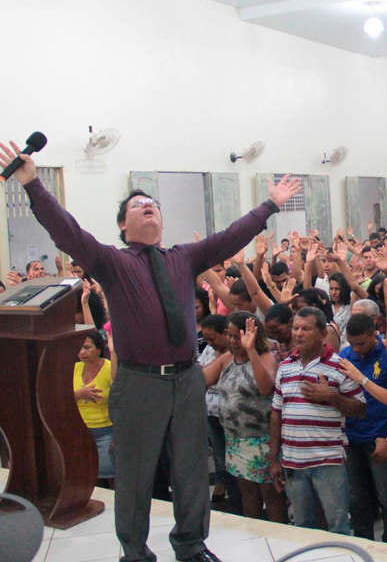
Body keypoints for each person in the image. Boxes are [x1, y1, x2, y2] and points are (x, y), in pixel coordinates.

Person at [0, 139, 302, 562]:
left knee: (191, 470)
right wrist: (33, 184)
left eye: (153, 204)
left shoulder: (184, 257)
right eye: (139, 204)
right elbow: (66, 232)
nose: (149, 207)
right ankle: (135, 553)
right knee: (136, 476)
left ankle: (191, 546)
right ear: (122, 225)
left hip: (186, 379)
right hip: (139, 382)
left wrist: (269, 205)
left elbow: (230, 236)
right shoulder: (112, 261)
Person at [269, 307, 367, 535]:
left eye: (306, 329)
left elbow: (361, 410)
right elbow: (276, 414)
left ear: (323, 334)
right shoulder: (284, 367)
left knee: (338, 526)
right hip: (293, 461)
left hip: (328, 461)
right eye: (295, 328)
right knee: (303, 527)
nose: (298, 334)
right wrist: (274, 459)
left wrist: (332, 397)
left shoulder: (340, 366)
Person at [203, 313, 287, 522]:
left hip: (262, 439)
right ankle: (253, 532)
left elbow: (266, 388)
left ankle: (278, 534)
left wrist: (251, 351)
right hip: (236, 440)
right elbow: (201, 380)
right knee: (247, 493)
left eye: (237, 336)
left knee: (271, 494)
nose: (232, 341)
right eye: (229, 336)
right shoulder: (227, 359)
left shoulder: (265, 357)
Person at [338, 313, 387, 544]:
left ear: (374, 334)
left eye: (362, 343)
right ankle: (363, 542)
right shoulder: (344, 357)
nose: (356, 349)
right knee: (356, 497)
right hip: (351, 438)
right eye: (352, 343)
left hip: (381, 437)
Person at [196, 314, 235, 507]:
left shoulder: (236, 353)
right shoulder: (210, 351)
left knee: (233, 460)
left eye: (212, 339)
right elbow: (200, 373)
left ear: (225, 333)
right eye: (207, 340)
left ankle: (236, 496)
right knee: (220, 457)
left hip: (232, 417)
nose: (209, 344)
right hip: (212, 414)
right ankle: (225, 486)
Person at [73, 330, 115, 487]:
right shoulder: (74, 368)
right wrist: (80, 393)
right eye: (79, 348)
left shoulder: (110, 368)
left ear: (98, 349)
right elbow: (61, 399)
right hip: (80, 431)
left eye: (87, 347)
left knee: (110, 474)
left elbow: (121, 402)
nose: (82, 352)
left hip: (106, 431)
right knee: (89, 477)